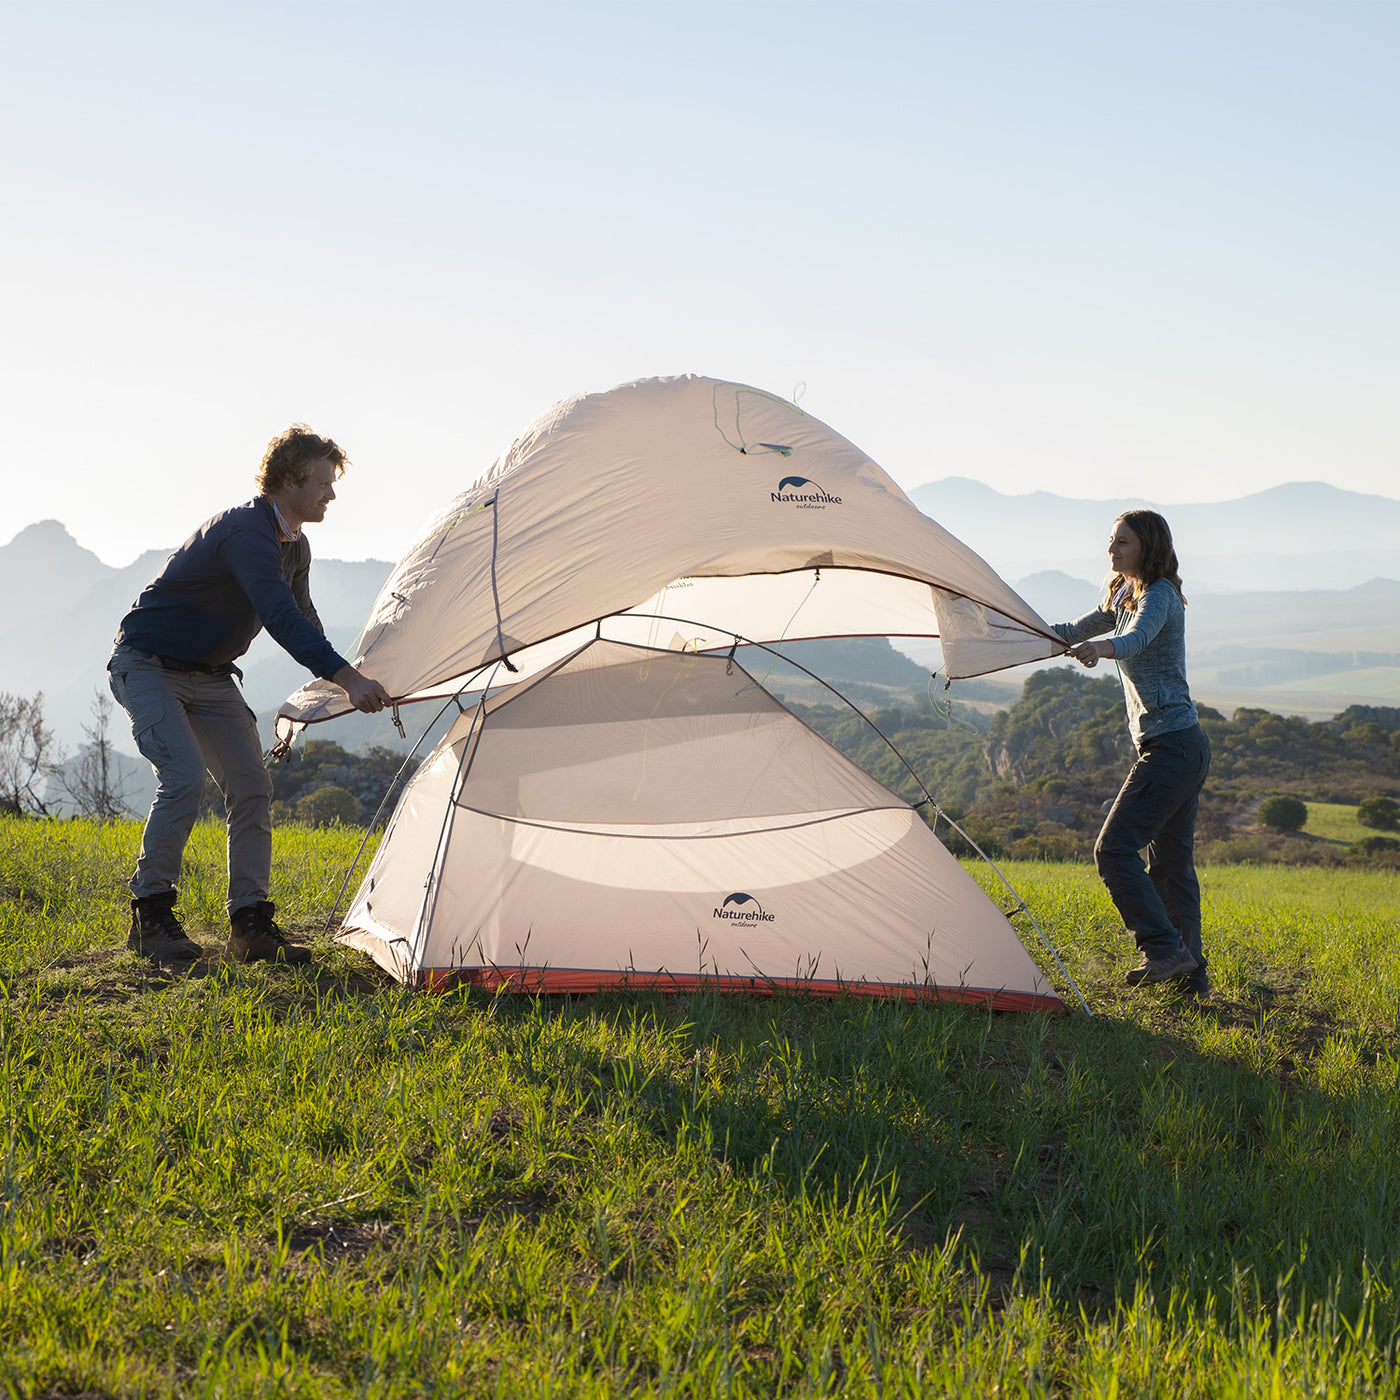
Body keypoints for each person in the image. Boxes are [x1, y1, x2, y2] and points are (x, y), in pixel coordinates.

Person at [108, 425, 392, 967]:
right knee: (184, 777)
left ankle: (250, 926)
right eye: (322, 483)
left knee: (251, 787)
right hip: (146, 665)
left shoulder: (295, 545)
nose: (331, 494)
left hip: (212, 674)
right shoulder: (247, 533)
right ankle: (150, 914)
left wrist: (344, 677)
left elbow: (304, 615)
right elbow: (281, 617)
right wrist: (348, 680)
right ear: (287, 479)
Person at [1054, 510, 1212, 996]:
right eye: (1110, 541)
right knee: (1170, 868)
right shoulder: (1124, 594)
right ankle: (1191, 982)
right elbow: (1068, 629)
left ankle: (1163, 948)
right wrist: (1006, 630)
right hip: (1177, 747)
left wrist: (1103, 649)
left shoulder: (1159, 595)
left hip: (1173, 747)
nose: (1112, 550)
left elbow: (1137, 639)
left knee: (1114, 850)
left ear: (1147, 546)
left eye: (1122, 542)